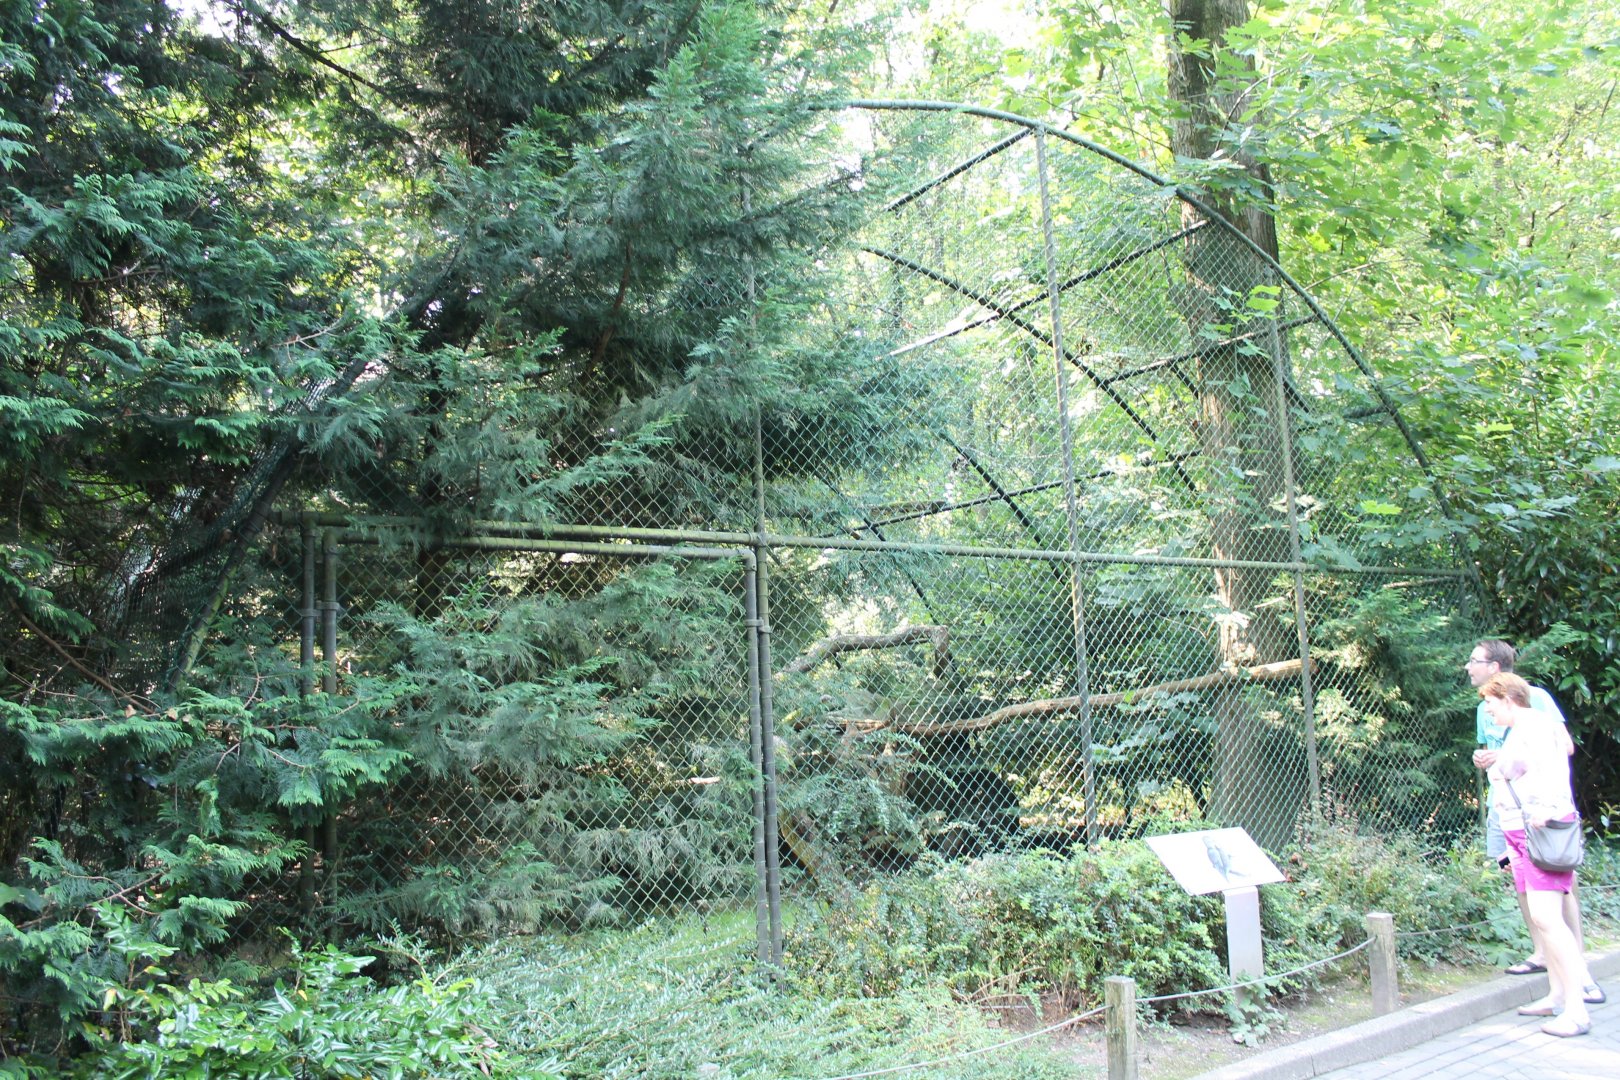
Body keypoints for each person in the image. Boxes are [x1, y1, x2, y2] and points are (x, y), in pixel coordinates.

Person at [1465, 639, 1604, 1005]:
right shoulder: (1485, 708)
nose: (1468, 666)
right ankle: (1543, 957)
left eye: (1474, 660)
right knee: (1522, 883)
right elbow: (1496, 754)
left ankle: (1580, 971)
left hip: (1539, 817)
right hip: (1505, 813)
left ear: (1495, 667)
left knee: (1560, 890)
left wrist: (1516, 759)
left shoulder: (1533, 700)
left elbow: (1563, 749)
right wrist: (1490, 757)